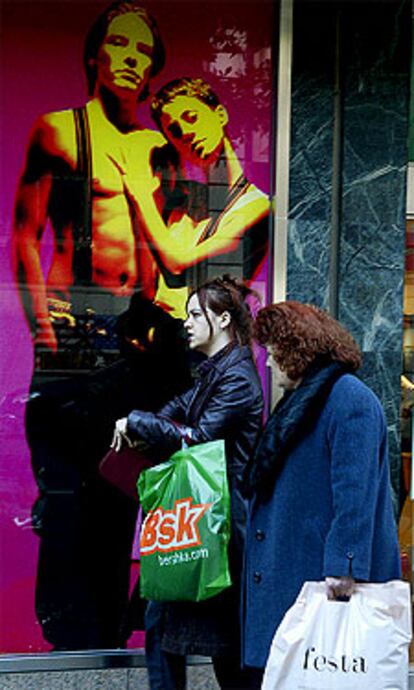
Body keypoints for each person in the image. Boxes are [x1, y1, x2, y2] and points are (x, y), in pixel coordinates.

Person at [11, 1, 186, 650]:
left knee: (122, 495)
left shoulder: (157, 148)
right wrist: (43, 330)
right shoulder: (59, 131)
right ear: (95, 54)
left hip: (137, 341)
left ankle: (111, 636)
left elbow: (171, 249)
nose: (133, 60)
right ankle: (65, 646)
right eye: (121, 45)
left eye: (144, 52)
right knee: (64, 496)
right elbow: (25, 236)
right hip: (74, 334)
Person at [112, 275, 264, 690]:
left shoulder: (236, 379)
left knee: (221, 647)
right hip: (199, 519)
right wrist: (141, 423)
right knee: (166, 622)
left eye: (196, 314)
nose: (187, 323)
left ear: (224, 319)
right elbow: (175, 411)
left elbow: (197, 436)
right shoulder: (215, 372)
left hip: (216, 528)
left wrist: (140, 421)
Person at [241, 301, 402, 684]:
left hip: (322, 578)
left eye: (272, 350)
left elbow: (356, 490)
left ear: (296, 348)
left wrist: (344, 566)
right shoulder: (304, 400)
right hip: (297, 568)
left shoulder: (348, 399)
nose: (267, 362)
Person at [115, 77, 270, 319]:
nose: (186, 133)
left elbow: (177, 269)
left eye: (192, 117)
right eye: (175, 132)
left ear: (220, 114)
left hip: (214, 349)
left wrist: (141, 196)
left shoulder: (254, 205)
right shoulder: (187, 201)